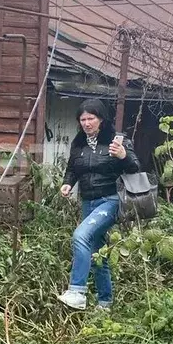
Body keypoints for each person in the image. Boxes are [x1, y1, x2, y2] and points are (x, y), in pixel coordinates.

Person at [57, 99, 140, 311]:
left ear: (101, 119)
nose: (86, 123)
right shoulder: (79, 143)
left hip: (111, 200)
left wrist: (123, 156)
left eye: (91, 118)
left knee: (80, 236)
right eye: (82, 119)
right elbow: (72, 169)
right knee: (97, 251)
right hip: (88, 202)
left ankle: (77, 291)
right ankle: (105, 303)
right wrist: (67, 184)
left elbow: (135, 167)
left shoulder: (115, 141)